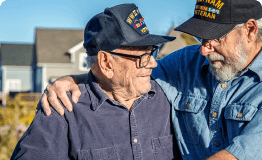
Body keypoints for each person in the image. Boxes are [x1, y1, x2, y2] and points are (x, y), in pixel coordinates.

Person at [41, 0, 262, 159]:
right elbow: (129, 74)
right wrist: (75, 79)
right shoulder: (186, 62)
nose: (203, 50)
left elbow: (241, 154)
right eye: (200, 38)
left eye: (215, 38)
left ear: (250, 30)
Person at [11, 3, 182, 160]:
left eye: (152, 52)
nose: (153, 63)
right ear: (106, 63)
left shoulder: (169, 95)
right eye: (143, 57)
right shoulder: (61, 111)